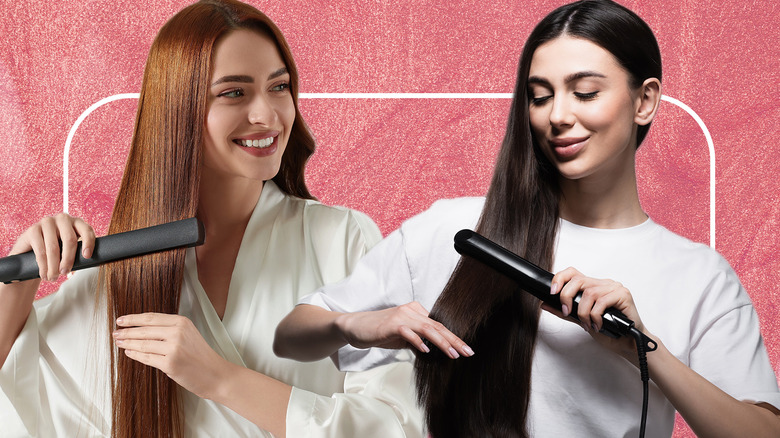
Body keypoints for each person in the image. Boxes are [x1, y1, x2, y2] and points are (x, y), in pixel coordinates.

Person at [273, 0, 780, 437]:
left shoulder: (699, 276)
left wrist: (643, 350)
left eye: (584, 92)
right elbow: (290, 335)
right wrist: (357, 323)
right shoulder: (453, 229)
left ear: (644, 100)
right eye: (539, 96)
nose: (556, 115)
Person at [0, 1, 423, 437]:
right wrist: (19, 279)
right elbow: (16, 401)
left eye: (279, 87)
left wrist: (223, 380)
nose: (268, 114)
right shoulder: (121, 276)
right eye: (234, 93)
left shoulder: (343, 240)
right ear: (176, 110)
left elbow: (395, 424)